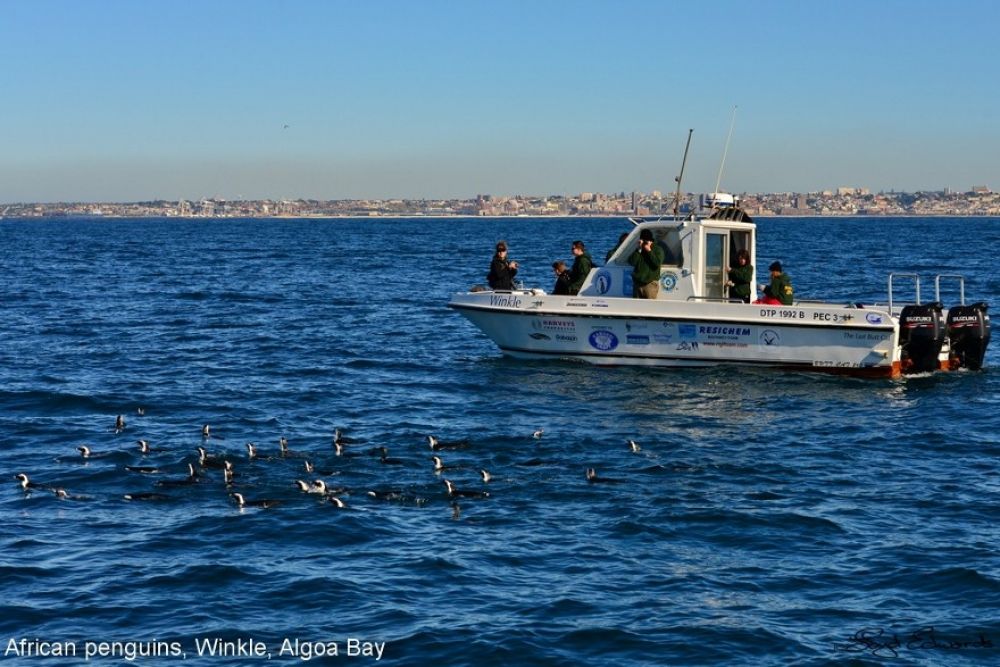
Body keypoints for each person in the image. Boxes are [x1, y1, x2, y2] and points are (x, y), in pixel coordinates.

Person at [628, 229, 664, 299]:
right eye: (643, 240)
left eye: (646, 240)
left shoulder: (658, 249)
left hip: (650, 284)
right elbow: (631, 262)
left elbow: (657, 263)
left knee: (650, 308)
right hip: (638, 284)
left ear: (651, 241)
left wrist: (649, 251)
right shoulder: (639, 250)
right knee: (636, 307)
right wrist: (638, 250)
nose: (645, 242)